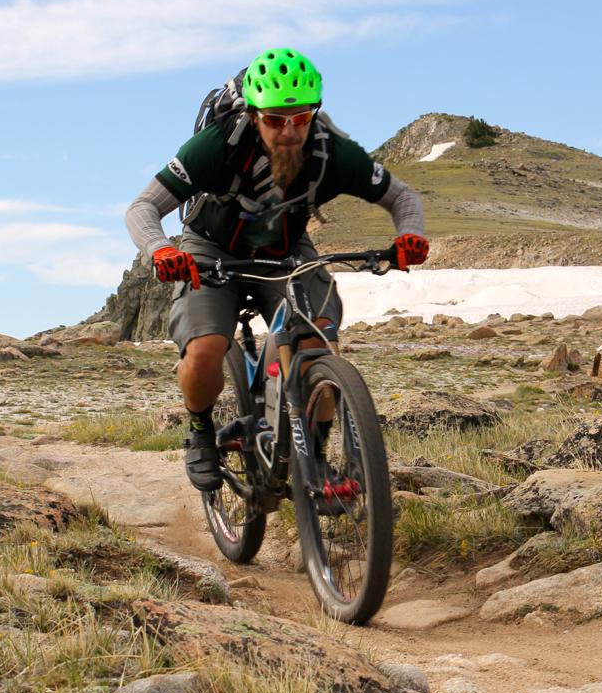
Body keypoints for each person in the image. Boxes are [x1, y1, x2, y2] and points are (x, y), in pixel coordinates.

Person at [125, 47, 429, 491]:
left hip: (287, 251)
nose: (289, 131)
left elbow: (403, 198)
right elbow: (143, 206)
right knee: (207, 347)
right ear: (252, 115)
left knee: (317, 348)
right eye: (274, 119)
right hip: (210, 249)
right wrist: (160, 249)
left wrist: (409, 235)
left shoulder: (332, 153)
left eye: (301, 118)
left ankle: (316, 460)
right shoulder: (217, 148)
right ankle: (201, 432)